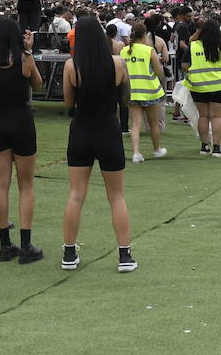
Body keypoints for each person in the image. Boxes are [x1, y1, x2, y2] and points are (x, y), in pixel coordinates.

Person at [61, 17, 136, 272]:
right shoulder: (118, 63)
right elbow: (126, 98)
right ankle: (125, 255)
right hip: (108, 129)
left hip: (81, 130)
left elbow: (69, 104)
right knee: (116, 196)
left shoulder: (72, 66)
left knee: (76, 194)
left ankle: (69, 253)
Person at [0, 17, 44, 263]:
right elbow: (38, 84)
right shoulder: (24, 61)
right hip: (22, 121)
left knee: (0, 184)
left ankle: (5, 245)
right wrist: (28, 51)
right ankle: (26, 245)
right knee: (26, 185)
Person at [184, 19, 221, 158]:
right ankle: (217, 149)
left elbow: (185, 65)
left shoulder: (193, 46)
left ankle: (204, 147)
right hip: (220, 86)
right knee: (217, 117)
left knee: (203, 116)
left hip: (198, 86)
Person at [120, 21, 167, 162]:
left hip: (131, 91)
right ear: (145, 35)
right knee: (153, 124)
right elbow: (159, 72)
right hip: (150, 91)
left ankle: (136, 153)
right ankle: (156, 150)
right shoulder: (149, 51)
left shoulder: (123, 51)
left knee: (135, 124)